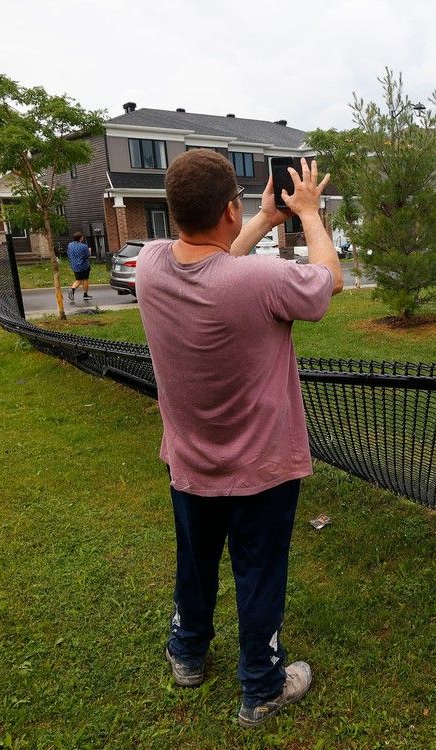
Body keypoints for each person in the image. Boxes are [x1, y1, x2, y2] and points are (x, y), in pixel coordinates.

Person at [136, 150, 343, 729]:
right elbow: (329, 282)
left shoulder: (150, 265)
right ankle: (261, 685)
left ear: (172, 211)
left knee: (196, 561)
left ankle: (188, 653)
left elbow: (211, 262)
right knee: (258, 570)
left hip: (189, 460)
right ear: (230, 208)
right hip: (262, 466)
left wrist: (259, 222)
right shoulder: (262, 280)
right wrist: (307, 213)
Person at [65, 232, 92, 302]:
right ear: (80, 238)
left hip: (74, 265)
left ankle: (72, 289)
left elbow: (69, 253)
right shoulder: (84, 246)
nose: (83, 238)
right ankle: (85, 295)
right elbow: (87, 255)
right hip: (84, 265)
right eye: (82, 237)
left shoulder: (70, 245)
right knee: (85, 279)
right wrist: (89, 251)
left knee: (78, 280)